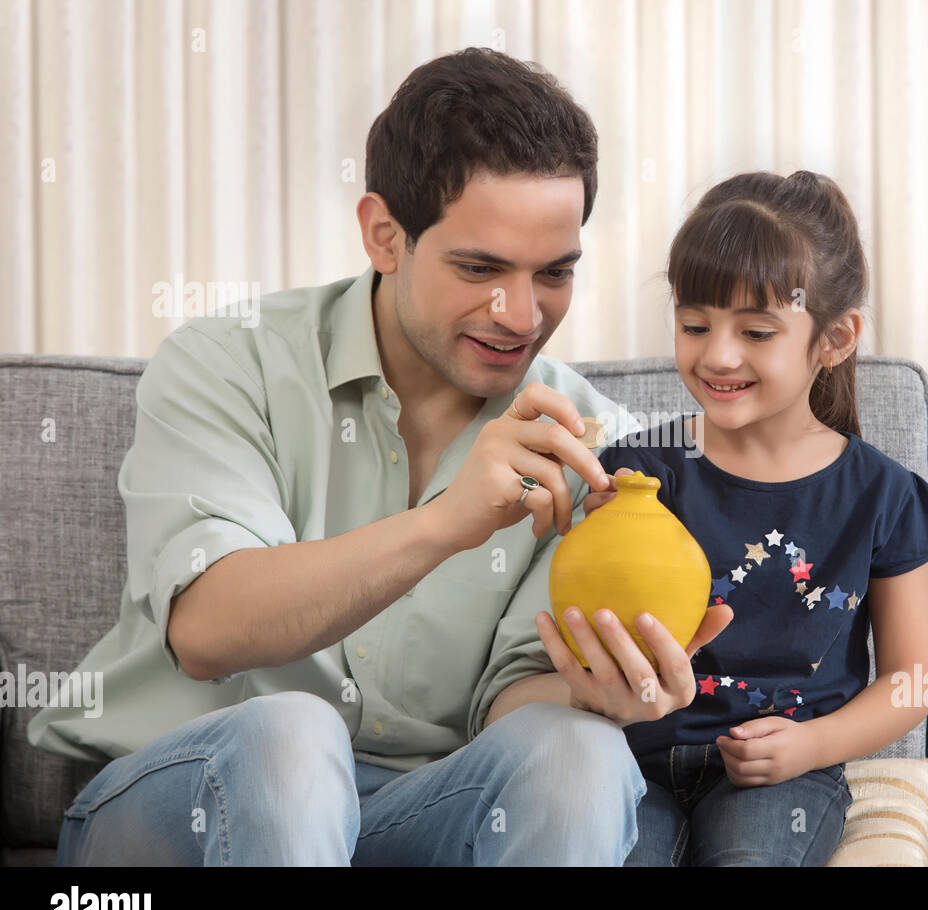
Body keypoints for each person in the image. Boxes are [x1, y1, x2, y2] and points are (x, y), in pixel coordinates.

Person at [27, 47, 732, 866]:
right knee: (292, 735)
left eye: (555, 273)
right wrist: (446, 523)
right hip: (185, 810)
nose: (521, 313)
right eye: (480, 267)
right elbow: (206, 629)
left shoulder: (588, 440)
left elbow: (513, 712)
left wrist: (599, 692)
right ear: (384, 234)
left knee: (581, 754)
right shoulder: (228, 362)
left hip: (419, 815)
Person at [538, 170, 928, 866]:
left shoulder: (880, 494)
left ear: (835, 338)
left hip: (784, 772)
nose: (718, 355)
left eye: (756, 331)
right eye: (695, 325)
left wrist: (812, 746)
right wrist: (582, 523)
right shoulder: (641, 469)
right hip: (635, 758)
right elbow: (581, 618)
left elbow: (913, 680)